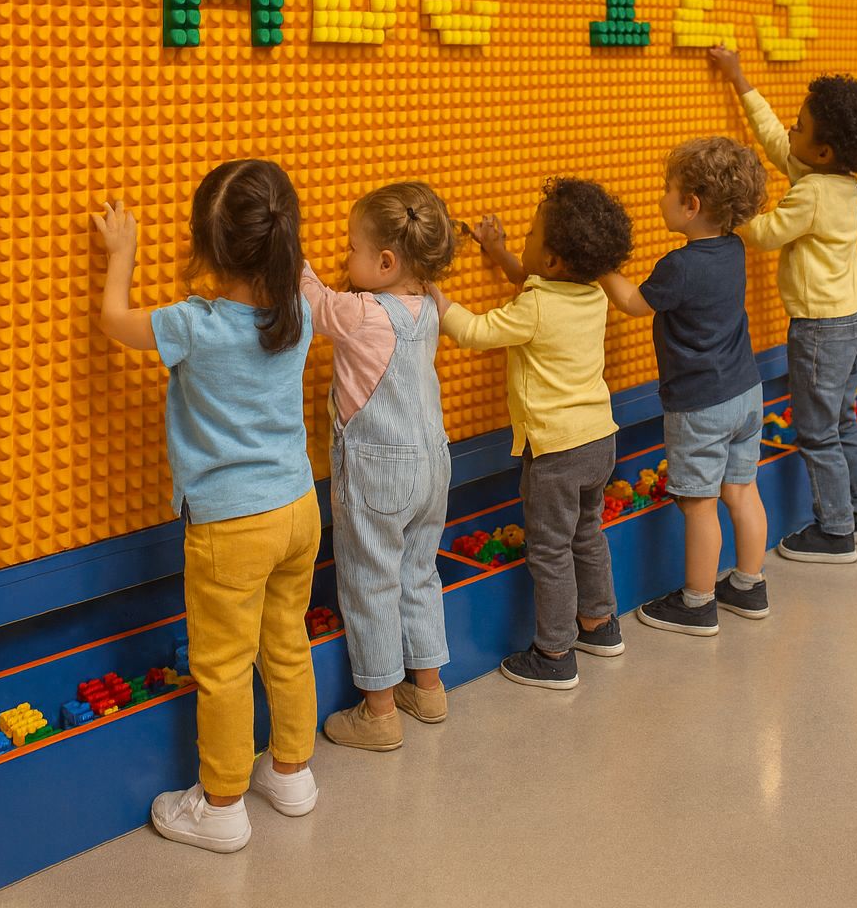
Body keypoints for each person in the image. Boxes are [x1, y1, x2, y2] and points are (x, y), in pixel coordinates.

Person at [93, 161, 319, 853]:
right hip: (298, 509)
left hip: (231, 526)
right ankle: (292, 773)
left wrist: (122, 254)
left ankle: (221, 804)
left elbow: (114, 322)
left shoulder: (193, 325)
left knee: (222, 666)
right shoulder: (300, 312)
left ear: (206, 248)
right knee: (286, 643)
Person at [432, 177, 633, 690]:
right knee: (586, 533)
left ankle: (554, 653)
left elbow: (475, 331)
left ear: (553, 260)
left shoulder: (536, 307)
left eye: (529, 234)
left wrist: (435, 295)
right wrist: (499, 252)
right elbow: (530, 280)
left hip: (557, 451)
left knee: (549, 550)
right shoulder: (591, 293)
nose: (522, 238)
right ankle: (600, 624)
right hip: (599, 438)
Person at [708, 46, 857, 562]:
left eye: (800, 126)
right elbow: (775, 139)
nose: (790, 130)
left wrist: (724, 211)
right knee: (844, 421)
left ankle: (835, 532)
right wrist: (739, 81)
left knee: (817, 433)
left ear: (823, 152)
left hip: (821, 331)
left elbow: (765, 234)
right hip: (854, 321)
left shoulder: (811, 194)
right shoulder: (839, 182)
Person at [303, 182, 456, 752]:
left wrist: (292, 252)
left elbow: (313, 301)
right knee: (419, 572)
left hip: (378, 472)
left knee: (371, 583)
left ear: (386, 262)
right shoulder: (431, 307)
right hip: (433, 465)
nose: (345, 257)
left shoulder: (361, 313)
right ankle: (429, 689)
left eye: (352, 248)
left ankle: (379, 711)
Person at [601, 137, 770, 635]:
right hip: (746, 391)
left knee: (698, 504)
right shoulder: (734, 249)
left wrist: (601, 265)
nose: (661, 197)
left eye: (666, 189)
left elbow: (632, 303)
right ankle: (749, 585)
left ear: (691, 205)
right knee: (741, 490)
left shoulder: (680, 265)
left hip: (701, 405)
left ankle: (697, 603)